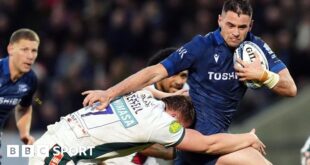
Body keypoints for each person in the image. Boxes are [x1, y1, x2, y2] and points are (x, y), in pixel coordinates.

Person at [82, 0, 297, 164]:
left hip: (219, 142)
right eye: (230, 24)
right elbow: (155, 72)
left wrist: (263, 76)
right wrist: (110, 92)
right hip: (196, 145)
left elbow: (290, 88)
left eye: (242, 27)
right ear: (219, 20)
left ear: (251, 25)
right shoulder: (201, 46)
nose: (235, 32)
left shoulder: (255, 48)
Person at [29, 90, 266, 165]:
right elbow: (207, 144)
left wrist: (179, 94)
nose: (174, 135)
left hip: (48, 145)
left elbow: (152, 90)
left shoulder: (139, 95)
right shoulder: (161, 123)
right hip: (60, 158)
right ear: (174, 117)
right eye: (180, 128)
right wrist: (247, 137)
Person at [104, 47, 189, 165]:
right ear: (161, 75)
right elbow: (139, 141)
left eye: (183, 75)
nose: (180, 81)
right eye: (174, 74)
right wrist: (180, 153)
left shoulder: (187, 95)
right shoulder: (139, 93)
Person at [0, 28, 40, 145]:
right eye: (24, 50)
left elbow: (24, 108)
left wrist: (24, 133)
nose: (30, 56)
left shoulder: (30, 80)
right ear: (10, 49)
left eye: (34, 51)